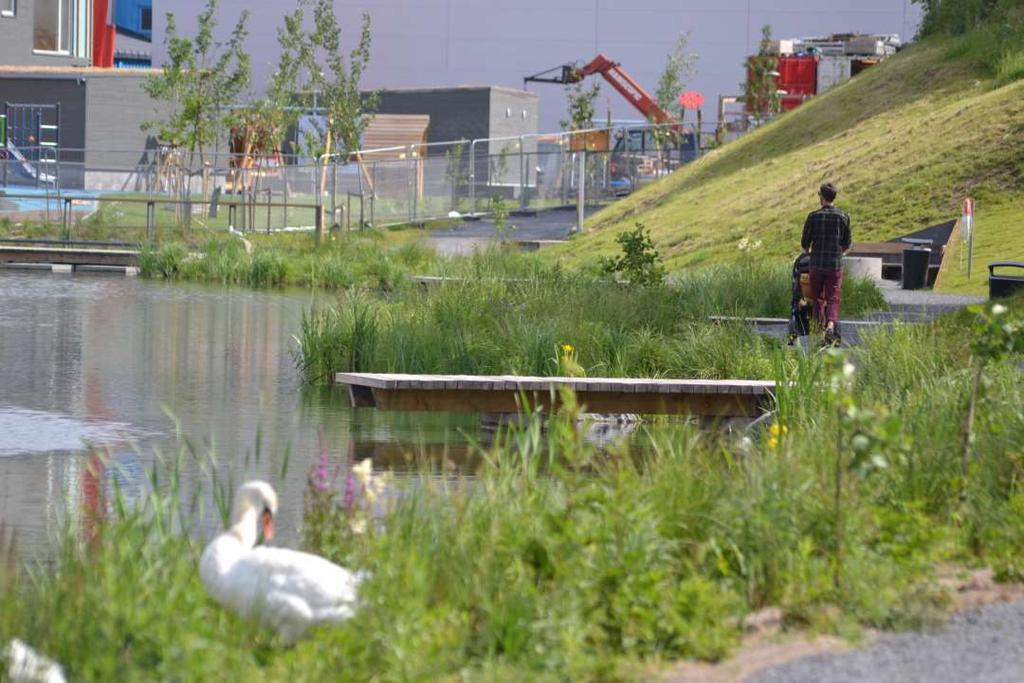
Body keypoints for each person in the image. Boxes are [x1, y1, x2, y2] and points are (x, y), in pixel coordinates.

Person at [801, 182, 851, 347]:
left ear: (821, 197)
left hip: (816, 264)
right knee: (833, 297)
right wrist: (839, 252)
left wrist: (808, 251)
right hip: (835, 264)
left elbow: (804, 244)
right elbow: (846, 243)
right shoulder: (843, 217)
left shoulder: (813, 216)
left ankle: (819, 330)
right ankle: (830, 326)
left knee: (818, 298)